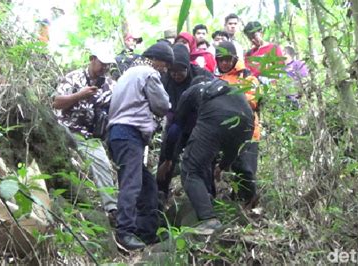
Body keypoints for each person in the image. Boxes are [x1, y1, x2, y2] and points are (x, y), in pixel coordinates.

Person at [107, 42, 173, 250]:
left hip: (117, 134)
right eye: (165, 64)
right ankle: (124, 232)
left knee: (146, 185)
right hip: (129, 134)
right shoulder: (148, 73)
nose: (166, 69)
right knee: (132, 183)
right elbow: (162, 105)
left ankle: (144, 231)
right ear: (157, 59)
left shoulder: (128, 74)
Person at [176, 78, 254, 235]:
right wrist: (222, 166)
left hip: (215, 117)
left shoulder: (194, 90)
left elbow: (178, 121)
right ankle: (242, 202)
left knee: (190, 170)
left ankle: (208, 220)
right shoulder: (226, 89)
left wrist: (175, 151)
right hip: (247, 121)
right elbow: (233, 150)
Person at [52, 42, 118, 225]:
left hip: (89, 136)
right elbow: (56, 102)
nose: (104, 68)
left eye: (107, 65)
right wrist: (79, 95)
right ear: (92, 59)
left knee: (102, 163)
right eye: (101, 63)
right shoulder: (74, 78)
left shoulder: (111, 86)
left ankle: (112, 209)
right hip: (65, 127)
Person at [156, 44, 214, 203]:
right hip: (176, 121)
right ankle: (160, 195)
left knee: (203, 160)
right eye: (172, 71)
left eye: (180, 71)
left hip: (199, 124)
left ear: (188, 67)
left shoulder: (201, 75)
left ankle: (208, 195)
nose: (176, 75)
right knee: (167, 156)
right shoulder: (164, 79)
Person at [215, 41, 261, 208]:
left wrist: (229, 97)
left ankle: (250, 202)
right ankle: (237, 204)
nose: (225, 63)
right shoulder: (216, 80)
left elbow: (252, 102)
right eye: (221, 60)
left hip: (248, 131)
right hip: (225, 132)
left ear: (235, 59)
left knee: (246, 168)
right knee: (232, 167)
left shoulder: (248, 78)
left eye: (228, 59)